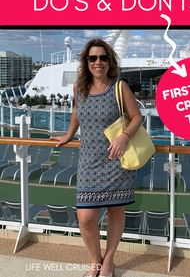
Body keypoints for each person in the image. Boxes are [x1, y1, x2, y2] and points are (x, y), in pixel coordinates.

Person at [51, 39, 142, 277]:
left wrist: (123, 137)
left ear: (109, 60)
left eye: (102, 57)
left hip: (116, 159)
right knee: (85, 216)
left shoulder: (119, 87)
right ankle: (95, 259)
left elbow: (136, 117)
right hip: (89, 160)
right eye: (93, 58)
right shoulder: (79, 88)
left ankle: (109, 259)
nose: (98, 62)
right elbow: (76, 112)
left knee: (115, 210)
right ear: (86, 61)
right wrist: (69, 134)